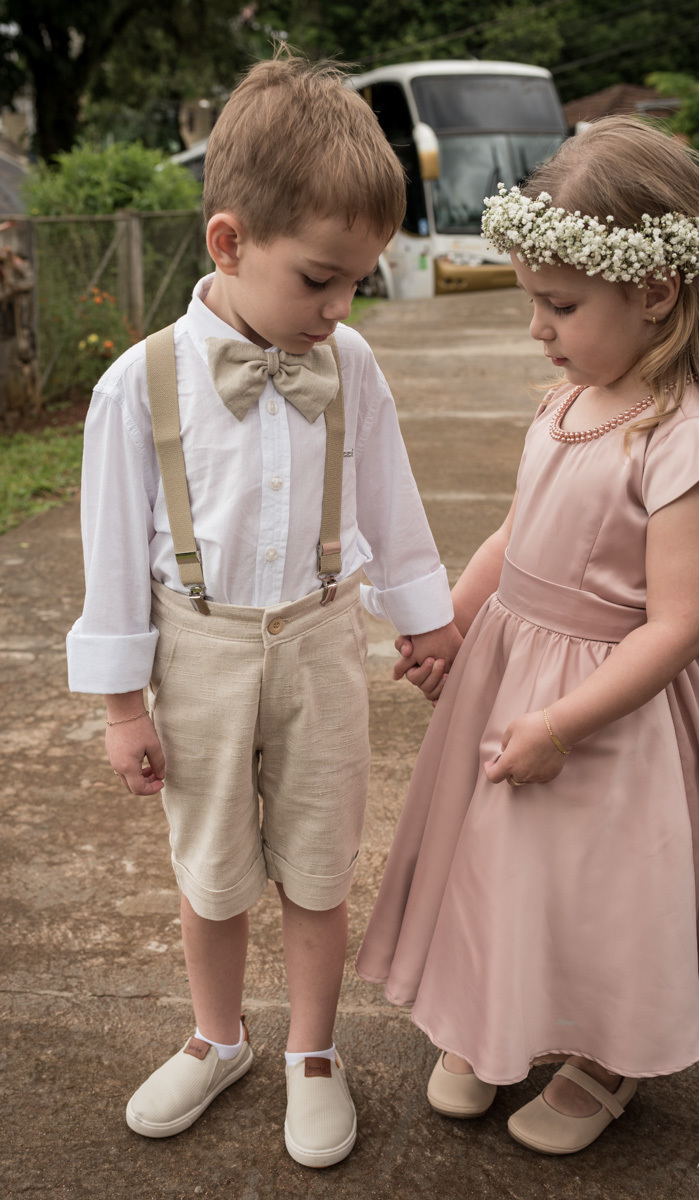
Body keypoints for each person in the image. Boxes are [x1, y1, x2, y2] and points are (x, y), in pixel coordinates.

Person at [66, 52, 461, 1168]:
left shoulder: (351, 364)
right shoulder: (138, 384)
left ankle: (314, 1054)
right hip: (196, 653)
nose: (338, 309)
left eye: (355, 287)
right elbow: (107, 560)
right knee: (213, 867)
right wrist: (119, 706)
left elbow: (392, 501)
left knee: (321, 861)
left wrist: (422, 616)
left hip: (324, 639)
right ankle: (217, 1035)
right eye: (320, 280)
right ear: (229, 243)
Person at [356, 116, 699, 1156]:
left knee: (599, 880)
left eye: (562, 305)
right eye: (535, 300)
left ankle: (607, 1049)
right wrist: (450, 616)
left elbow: (676, 625)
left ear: (655, 292)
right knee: (500, 861)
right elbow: (518, 532)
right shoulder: (568, 403)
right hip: (511, 668)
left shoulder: (683, 443)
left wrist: (565, 723)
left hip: (607, 709)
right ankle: (498, 1008)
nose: (538, 327)